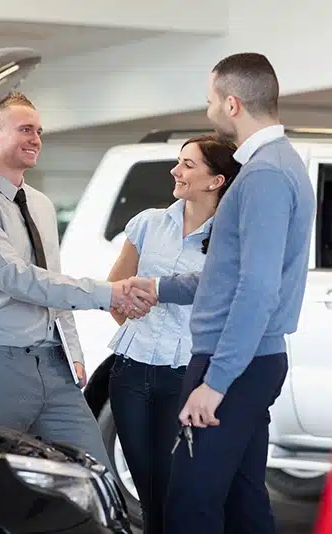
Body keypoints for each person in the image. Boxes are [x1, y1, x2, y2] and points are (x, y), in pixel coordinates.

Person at [125, 53, 316, 533]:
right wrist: (158, 285)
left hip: (233, 363)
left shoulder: (265, 175)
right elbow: (229, 277)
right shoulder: (275, 166)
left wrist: (217, 381)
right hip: (249, 360)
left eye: (210, 99)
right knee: (242, 500)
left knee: (190, 503)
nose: (207, 108)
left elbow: (257, 287)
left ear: (232, 104)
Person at [0, 91, 155, 472]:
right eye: (26, 129)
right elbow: (20, 280)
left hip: (53, 365)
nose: (36, 139)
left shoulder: (39, 204)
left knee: (93, 476)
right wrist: (109, 294)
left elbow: (51, 280)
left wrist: (71, 349)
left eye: (39, 131)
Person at [106, 135, 240, 534]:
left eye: (187, 164)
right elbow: (114, 290)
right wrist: (132, 311)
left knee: (176, 489)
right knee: (147, 494)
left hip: (184, 375)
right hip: (129, 371)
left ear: (215, 181)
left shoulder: (230, 238)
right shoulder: (148, 223)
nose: (175, 171)